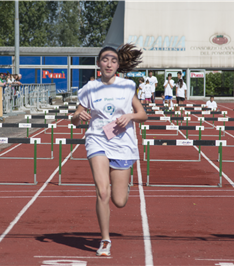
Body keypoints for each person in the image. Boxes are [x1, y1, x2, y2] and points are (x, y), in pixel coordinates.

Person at [71, 44, 147, 257]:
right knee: (102, 191)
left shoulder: (127, 86)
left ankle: (124, 186)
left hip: (123, 143)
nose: (109, 64)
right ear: (98, 63)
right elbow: (75, 119)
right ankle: (105, 240)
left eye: (113, 60)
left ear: (118, 64)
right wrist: (79, 117)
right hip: (97, 139)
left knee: (119, 201)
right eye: (105, 59)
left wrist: (129, 116)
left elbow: (143, 114)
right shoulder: (89, 88)